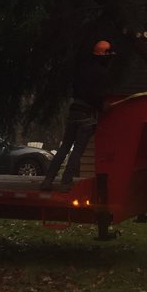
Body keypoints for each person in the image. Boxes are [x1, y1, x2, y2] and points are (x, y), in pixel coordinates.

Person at [41, 40, 117, 191]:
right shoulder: (101, 73)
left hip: (74, 111)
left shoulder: (82, 69)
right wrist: (103, 106)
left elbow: (78, 90)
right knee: (78, 150)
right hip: (87, 115)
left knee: (65, 147)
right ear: (105, 56)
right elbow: (96, 95)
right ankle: (66, 182)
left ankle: (48, 180)